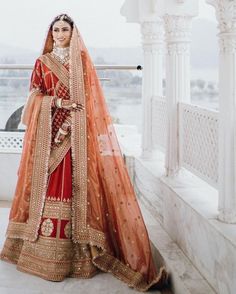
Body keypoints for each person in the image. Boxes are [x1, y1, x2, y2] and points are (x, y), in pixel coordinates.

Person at [0, 14, 168, 291]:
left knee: (75, 189)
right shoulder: (42, 63)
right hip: (50, 138)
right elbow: (33, 98)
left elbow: (93, 101)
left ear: (73, 33)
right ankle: (40, 252)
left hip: (77, 138)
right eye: (55, 29)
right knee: (50, 186)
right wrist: (57, 102)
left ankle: (78, 254)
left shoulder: (82, 64)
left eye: (65, 29)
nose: (59, 33)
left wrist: (75, 117)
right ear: (50, 33)